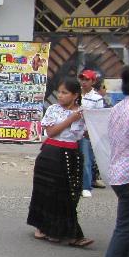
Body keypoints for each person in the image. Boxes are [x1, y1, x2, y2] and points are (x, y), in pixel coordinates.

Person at [27, 78, 93, 247]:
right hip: (51, 155)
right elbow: (51, 132)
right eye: (60, 92)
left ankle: (63, 231)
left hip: (72, 154)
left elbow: (86, 134)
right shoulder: (53, 110)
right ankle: (44, 227)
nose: (61, 96)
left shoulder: (83, 112)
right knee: (46, 192)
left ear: (75, 95)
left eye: (65, 93)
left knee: (68, 194)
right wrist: (70, 120)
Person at [99, 66, 129, 257]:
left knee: (124, 226)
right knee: (125, 227)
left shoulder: (120, 108)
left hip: (119, 173)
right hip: (128, 175)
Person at [78, 69, 104, 198]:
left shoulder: (97, 98)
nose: (83, 82)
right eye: (82, 79)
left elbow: (98, 118)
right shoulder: (75, 94)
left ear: (93, 81)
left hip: (85, 133)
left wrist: (91, 132)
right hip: (71, 131)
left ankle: (86, 187)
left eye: (87, 79)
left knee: (86, 160)